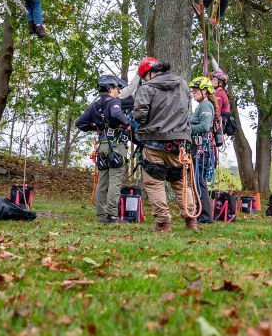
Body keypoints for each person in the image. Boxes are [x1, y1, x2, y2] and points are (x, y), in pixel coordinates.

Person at [133, 56, 200, 232]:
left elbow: (139, 115)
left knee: (154, 183)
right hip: (179, 144)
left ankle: (163, 223)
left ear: (147, 74)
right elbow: (185, 110)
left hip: (154, 143)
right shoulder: (183, 85)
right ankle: (191, 220)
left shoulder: (146, 88)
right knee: (181, 182)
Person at [76, 75, 131, 223]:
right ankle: (111, 215)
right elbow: (116, 113)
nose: (119, 92)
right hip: (116, 146)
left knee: (102, 181)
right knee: (115, 180)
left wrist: (96, 127)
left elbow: (80, 123)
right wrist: (127, 123)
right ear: (110, 88)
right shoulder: (114, 102)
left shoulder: (95, 104)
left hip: (103, 147)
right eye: (117, 89)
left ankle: (101, 215)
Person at [189, 76, 216, 224]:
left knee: (199, 181)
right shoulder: (201, 106)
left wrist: (187, 128)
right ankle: (202, 214)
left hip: (201, 148)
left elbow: (205, 127)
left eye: (195, 90)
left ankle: (205, 216)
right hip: (198, 147)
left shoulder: (205, 106)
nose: (193, 93)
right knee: (196, 181)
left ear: (204, 91)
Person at [209, 69, 235, 136]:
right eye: (211, 80)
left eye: (214, 80)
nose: (211, 81)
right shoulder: (220, 92)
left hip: (218, 124)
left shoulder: (219, 94)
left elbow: (217, 112)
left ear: (220, 82)